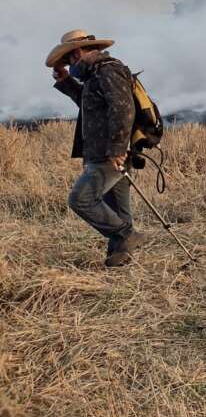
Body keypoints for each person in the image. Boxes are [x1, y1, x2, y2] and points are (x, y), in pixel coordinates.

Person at [45, 29, 146, 267]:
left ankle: (126, 236)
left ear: (77, 52)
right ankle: (119, 257)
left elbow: (122, 110)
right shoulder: (96, 75)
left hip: (108, 154)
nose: (70, 66)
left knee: (81, 199)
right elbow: (89, 103)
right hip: (106, 152)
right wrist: (65, 81)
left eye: (69, 61)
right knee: (117, 208)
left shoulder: (109, 70)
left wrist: (117, 148)